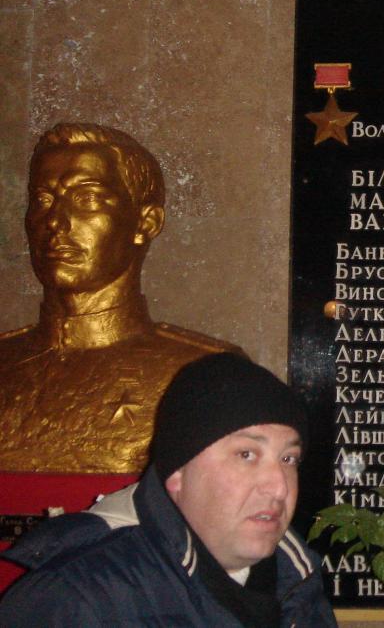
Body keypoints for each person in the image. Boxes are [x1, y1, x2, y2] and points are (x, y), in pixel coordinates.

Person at [0, 354, 335, 626]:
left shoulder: (298, 582)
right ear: (177, 474)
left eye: (289, 459)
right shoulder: (74, 602)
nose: (279, 486)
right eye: (246, 454)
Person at [0, 123, 241, 472]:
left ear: (146, 222)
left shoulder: (203, 376)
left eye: (87, 199)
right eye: (43, 200)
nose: (55, 222)